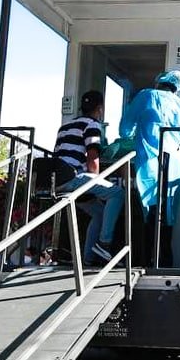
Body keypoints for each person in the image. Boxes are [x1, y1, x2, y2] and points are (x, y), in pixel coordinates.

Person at [119, 70, 180, 265]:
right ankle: (165, 261)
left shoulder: (146, 95)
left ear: (160, 81)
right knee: (167, 213)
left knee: (150, 211)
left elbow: (125, 130)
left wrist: (134, 135)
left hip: (150, 161)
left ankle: (147, 260)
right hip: (173, 163)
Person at [55, 90, 126, 265]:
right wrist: (95, 182)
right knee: (117, 193)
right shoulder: (92, 124)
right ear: (100, 109)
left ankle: (87, 260)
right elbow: (92, 156)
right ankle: (104, 244)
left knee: (99, 212)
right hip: (74, 179)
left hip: (57, 180)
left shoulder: (65, 127)